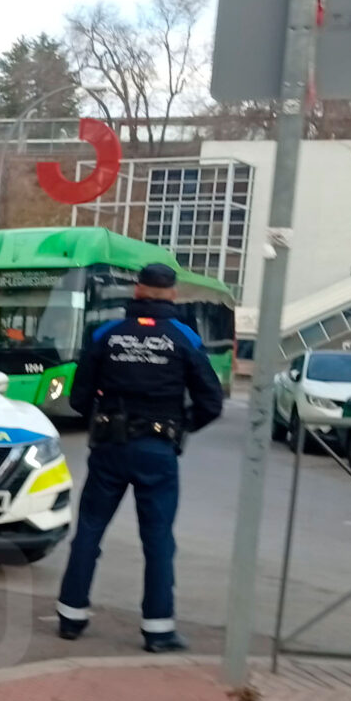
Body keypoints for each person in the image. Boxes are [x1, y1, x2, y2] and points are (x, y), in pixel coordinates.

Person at [54, 263, 224, 653]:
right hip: (158, 450)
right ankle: (158, 630)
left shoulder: (106, 334)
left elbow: (79, 398)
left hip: (110, 447)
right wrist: (182, 427)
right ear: (173, 294)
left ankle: (71, 617)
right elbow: (211, 401)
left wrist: (103, 417)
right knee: (158, 539)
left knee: (91, 530)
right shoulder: (183, 337)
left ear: (136, 292)